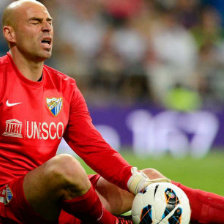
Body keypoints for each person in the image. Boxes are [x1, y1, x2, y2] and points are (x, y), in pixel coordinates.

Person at [0, 1, 223, 224]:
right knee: (65, 166)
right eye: (35, 22)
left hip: (49, 203)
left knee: (154, 182)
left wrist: (137, 182)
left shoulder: (63, 86)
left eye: (49, 22)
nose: (47, 28)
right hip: (9, 203)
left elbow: (93, 147)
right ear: (10, 33)